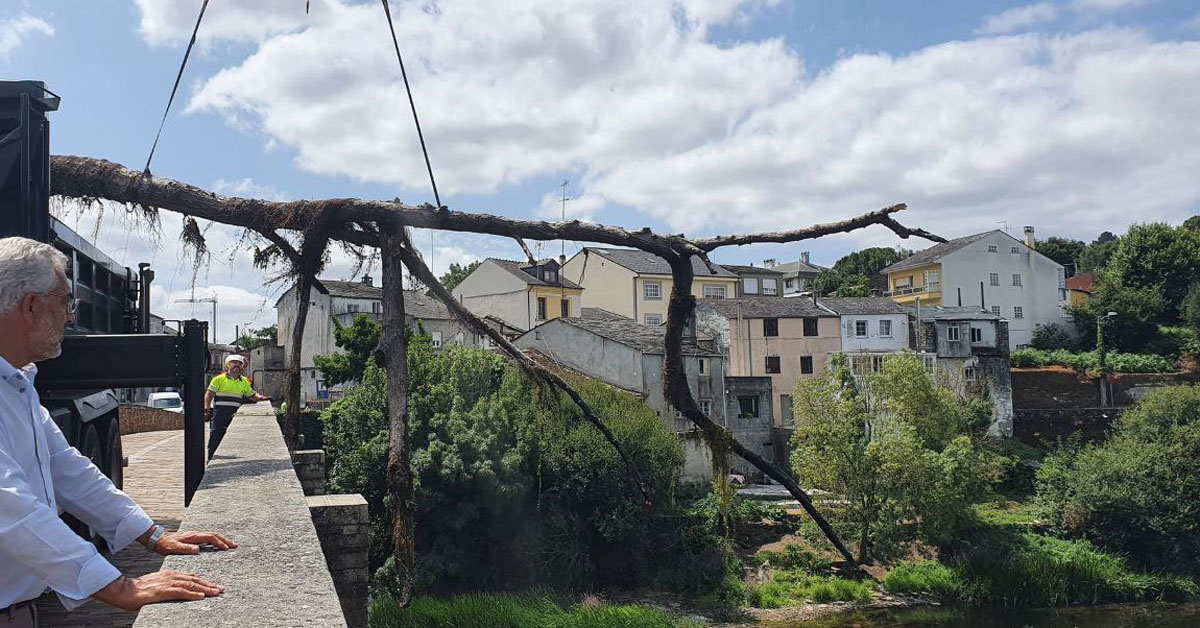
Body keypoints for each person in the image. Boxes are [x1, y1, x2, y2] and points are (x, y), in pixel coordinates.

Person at [0, 237, 238, 627]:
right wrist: (120, 589)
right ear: (30, 306)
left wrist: (152, 535)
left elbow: (65, 467)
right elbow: (10, 510)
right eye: (64, 303)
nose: (70, 317)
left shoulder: (17, 382)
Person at [204, 354, 268, 460]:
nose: (237, 365)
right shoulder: (219, 379)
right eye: (234, 363)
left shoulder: (244, 381)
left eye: (239, 363)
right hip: (220, 412)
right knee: (216, 435)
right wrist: (206, 408)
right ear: (227, 365)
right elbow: (209, 394)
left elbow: (251, 395)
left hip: (235, 413)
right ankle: (211, 458)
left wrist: (261, 398)